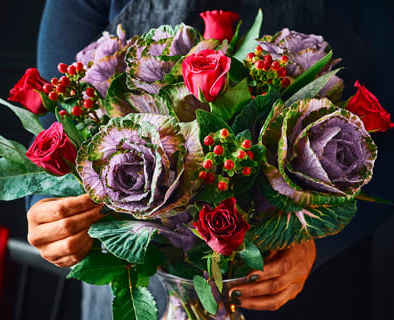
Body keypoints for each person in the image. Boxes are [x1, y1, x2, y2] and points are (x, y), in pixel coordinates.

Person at [27, 0, 393, 319]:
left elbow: (388, 148)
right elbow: (56, 129)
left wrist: (316, 243)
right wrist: (49, 212)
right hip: (139, 283)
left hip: (297, 288)